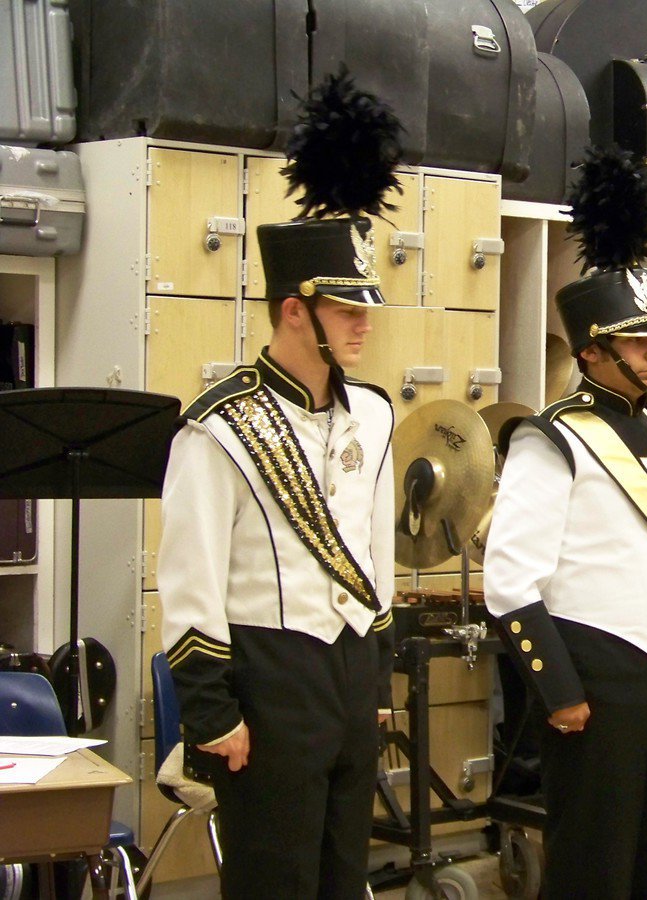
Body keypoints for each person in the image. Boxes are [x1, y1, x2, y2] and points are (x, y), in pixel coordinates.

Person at [158, 72, 403, 899]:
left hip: (346, 665)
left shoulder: (373, 415)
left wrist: (374, 682)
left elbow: (372, 558)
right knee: (274, 880)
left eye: (367, 307)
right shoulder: (219, 426)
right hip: (267, 672)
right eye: (346, 309)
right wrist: (210, 711)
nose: (365, 322)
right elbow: (188, 582)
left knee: (344, 876)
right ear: (295, 310)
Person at [483, 146, 647, 899]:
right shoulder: (551, 437)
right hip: (593, 668)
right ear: (592, 352)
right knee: (591, 860)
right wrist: (557, 688)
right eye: (639, 342)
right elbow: (510, 581)